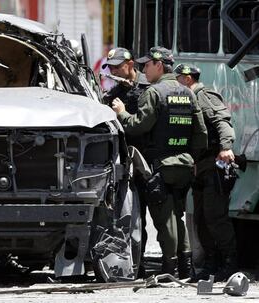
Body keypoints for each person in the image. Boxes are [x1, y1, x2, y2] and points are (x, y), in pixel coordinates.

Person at [112, 46, 207, 279]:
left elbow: (138, 125)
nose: (144, 69)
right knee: (177, 216)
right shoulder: (188, 93)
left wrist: (122, 112)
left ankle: (169, 268)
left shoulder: (154, 92)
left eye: (147, 65)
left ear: (158, 64)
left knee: (165, 221)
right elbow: (201, 133)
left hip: (160, 165)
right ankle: (186, 268)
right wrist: (191, 157)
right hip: (184, 164)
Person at [174, 63, 238, 282]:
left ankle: (229, 263)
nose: (177, 83)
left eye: (179, 78)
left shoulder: (204, 95)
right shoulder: (191, 98)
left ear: (189, 78)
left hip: (214, 166)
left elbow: (223, 121)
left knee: (215, 217)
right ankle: (211, 264)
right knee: (201, 219)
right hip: (200, 168)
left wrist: (226, 146)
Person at [102, 47, 150, 278]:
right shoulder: (115, 93)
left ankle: (175, 266)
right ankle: (136, 267)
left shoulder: (148, 87)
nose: (114, 71)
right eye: (110, 67)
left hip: (150, 162)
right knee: (132, 217)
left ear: (131, 65)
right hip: (127, 164)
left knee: (161, 217)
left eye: (118, 67)